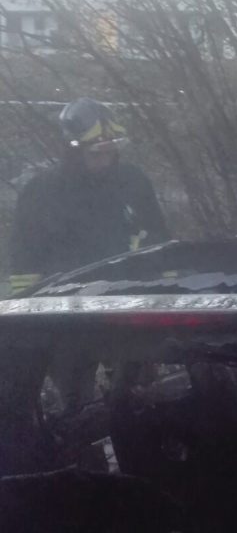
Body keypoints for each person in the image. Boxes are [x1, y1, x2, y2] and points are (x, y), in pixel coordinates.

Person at [7, 98, 170, 410]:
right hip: (68, 318)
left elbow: (160, 242)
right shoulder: (41, 193)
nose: (105, 158)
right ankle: (83, 453)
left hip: (129, 310)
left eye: (110, 150)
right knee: (76, 407)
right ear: (73, 149)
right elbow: (24, 262)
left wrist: (163, 297)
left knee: (143, 400)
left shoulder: (132, 182)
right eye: (96, 152)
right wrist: (35, 321)